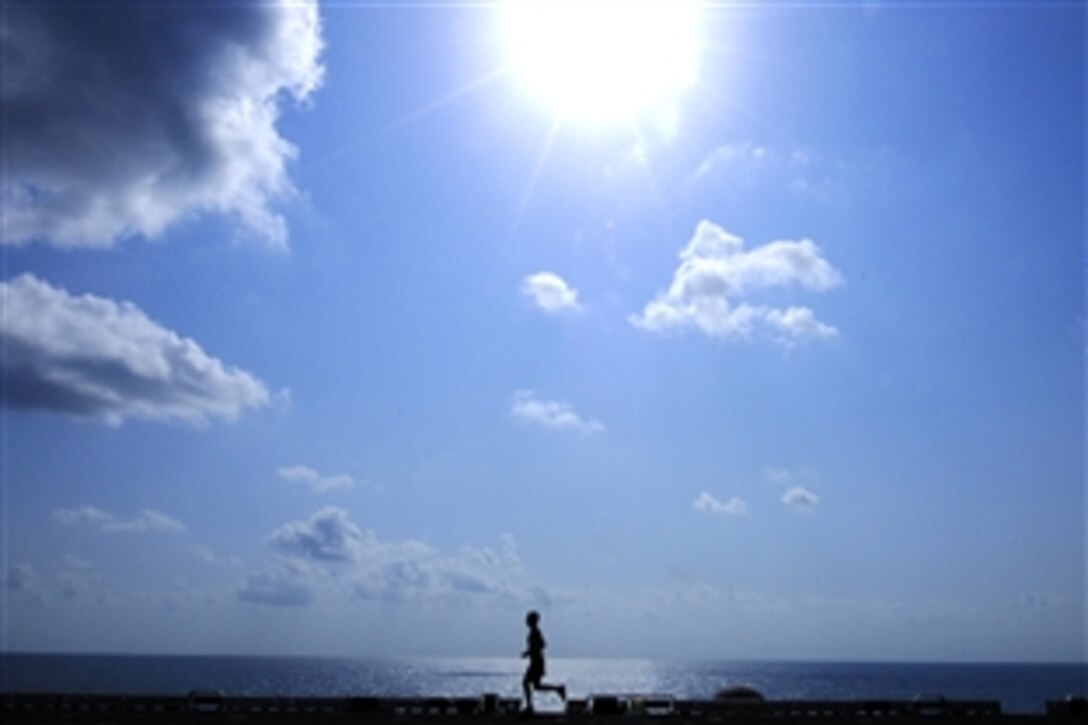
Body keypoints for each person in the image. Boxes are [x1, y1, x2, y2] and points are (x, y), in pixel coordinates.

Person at [521, 610, 566, 712]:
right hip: (535, 661)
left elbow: (542, 645)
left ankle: (529, 706)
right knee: (536, 686)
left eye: (528, 620)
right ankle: (558, 689)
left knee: (526, 683)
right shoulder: (534, 632)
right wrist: (528, 653)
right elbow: (539, 645)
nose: (526, 622)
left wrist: (530, 652)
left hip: (536, 662)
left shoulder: (535, 632)